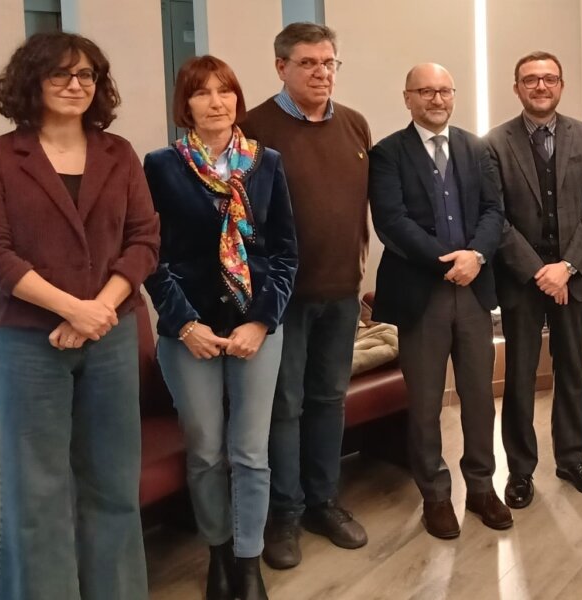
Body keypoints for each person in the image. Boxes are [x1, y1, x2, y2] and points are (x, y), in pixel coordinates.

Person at [0, 32, 159, 599]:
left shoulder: (118, 153)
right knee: (36, 492)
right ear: (32, 80)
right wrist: (73, 309)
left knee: (114, 484)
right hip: (30, 342)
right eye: (61, 74)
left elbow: (145, 240)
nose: (76, 85)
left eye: (86, 75)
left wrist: (99, 309)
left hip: (112, 337)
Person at [144, 55, 298, 599]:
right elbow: (150, 256)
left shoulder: (265, 163)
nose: (217, 102)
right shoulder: (161, 166)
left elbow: (285, 253)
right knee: (207, 451)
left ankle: (248, 561)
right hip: (189, 333)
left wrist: (262, 321)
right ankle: (218, 553)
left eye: (225, 91)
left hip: (256, 327)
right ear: (184, 105)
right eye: (202, 92)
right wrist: (184, 323)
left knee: (251, 452)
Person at [240, 23, 371, 568]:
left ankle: (323, 502)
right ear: (281, 67)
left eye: (329, 62)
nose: (322, 73)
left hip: (342, 293)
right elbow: (240, 222)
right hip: (282, 298)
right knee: (284, 406)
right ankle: (285, 515)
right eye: (308, 63)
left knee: (327, 400)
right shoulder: (253, 129)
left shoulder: (355, 125)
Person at [369, 63, 509, 539]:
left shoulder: (477, 148)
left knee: (479, 399)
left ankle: (482, 487)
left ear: (454, 95)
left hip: (473, 292)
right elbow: (392, 221)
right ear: (407, 97)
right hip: (420, 294)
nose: (436, 99)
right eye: (425, 91)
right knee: (426, 403)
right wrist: (446, 261)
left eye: (444, 91)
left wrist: (476, 256)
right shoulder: (387, 153)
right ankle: (435, 494)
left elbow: (494, 210)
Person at [486, 51, 582, 508]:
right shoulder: (494, 143)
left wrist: (567, 267)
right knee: (519, 375)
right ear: (517, 88)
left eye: (549, 79)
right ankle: (520, 470)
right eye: (531, 79)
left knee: (571, 371)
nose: (541, 86)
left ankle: (572, 459)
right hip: (522, 280)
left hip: (574, 278)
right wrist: (540, 272)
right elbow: (495, 217)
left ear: (561, 85)